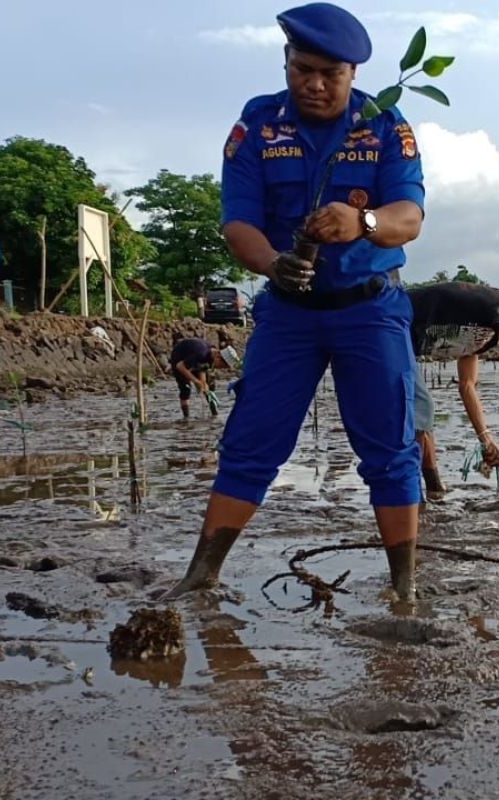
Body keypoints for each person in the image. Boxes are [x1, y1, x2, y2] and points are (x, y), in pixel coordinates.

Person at [166, 3, 426, 601]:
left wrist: (361, 221)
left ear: (352, 75)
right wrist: (271, 265)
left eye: (328, 74)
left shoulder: (385, 124)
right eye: (301, 69)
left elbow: (408, 218)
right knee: (251, 443)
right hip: (288, 313)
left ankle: (405, 588)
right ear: (285, 63)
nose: (313, 83)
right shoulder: (257, 126)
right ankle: (201, 575)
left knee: (390, 449)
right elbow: (239, 224)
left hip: (371, 309)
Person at [407, 283, 499, 496]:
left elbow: (467, 386)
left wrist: (486, 440)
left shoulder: (482, 333)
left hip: (402, 338)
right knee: (422, 409)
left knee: (422, 411)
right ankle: (411, 492)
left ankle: (433, 488)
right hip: (393, 319)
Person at [170, 337, 219, 419]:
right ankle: (186, 418)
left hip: (192, 358)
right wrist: (196, 381)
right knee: (185, 389)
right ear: (218, 356)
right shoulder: (201, 353)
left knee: (208, 386)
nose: (219, 367)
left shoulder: (210, 355)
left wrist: (203, 382)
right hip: (179, 357)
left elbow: (202, 368)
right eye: (222, 365)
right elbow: (180, 366)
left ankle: (214, 414)